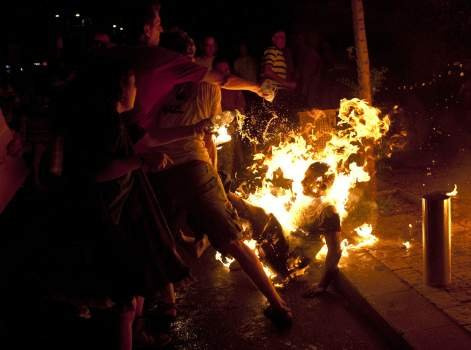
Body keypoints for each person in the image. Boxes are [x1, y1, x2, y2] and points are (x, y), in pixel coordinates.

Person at [142, 29, 293, 327]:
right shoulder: (205, 84)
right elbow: (208, 133)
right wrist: (212, 171)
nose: (195, 60)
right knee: (233, 239)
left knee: (164, 236)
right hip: (192, 166)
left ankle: (169, 303)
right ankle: (278, 304)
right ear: (187, 56)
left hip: (157, 168)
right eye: (193, 54)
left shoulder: (153, 82)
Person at [297, 162, 342, 297]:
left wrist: (322, 285)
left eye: (308, 178)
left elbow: (335, 251)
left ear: (322, 184)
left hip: (298, 261)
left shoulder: (328, 211)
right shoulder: (309, 199)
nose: (302, 181)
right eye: (305, 176)